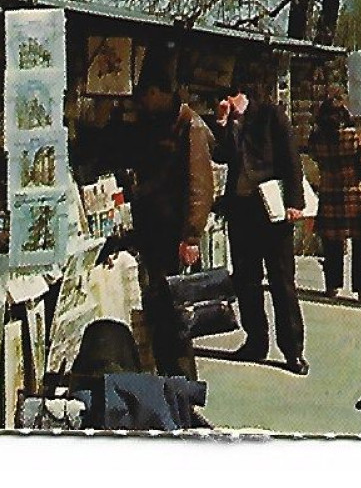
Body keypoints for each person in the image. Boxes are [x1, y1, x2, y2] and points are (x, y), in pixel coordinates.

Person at [213, 89, 309, 375]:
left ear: (241, 97)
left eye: (230, 99)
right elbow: (223, 156)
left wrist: (295, 202)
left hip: (272, 210)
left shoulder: (270, 116)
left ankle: (293, 350)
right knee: (246, 280)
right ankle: (256, 341)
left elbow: (292, 159)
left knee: (282, 281)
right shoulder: (230, 123)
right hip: (242, 210)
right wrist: (222, 125)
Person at [127, 90, 215, 379]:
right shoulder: (165, 124)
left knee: (176, 314)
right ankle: (171, 378)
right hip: (157, 230)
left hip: (173, 234)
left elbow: (199, 185)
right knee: (163, 311)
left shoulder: (191, 128)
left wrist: (191, 236)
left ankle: (183, 385)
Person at [308, 88, 361, 304]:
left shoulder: (317, 138)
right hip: (355, 194)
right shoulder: (353, 137)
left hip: (330, 193)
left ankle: (332, 285)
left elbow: (314, 158)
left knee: (332, 242)